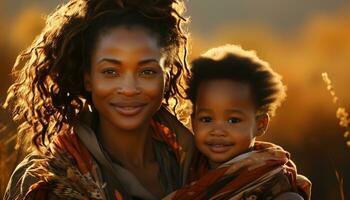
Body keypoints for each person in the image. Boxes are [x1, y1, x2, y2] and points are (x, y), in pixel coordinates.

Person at [3, 0, 194, 199]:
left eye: (147, 71)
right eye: (110, 72)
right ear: (88, 79)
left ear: (167, 75)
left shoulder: (201, 168)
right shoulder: (43, 178)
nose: (129, 89)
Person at [164, 45, 311, 200]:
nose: (218, 130)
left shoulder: (274, 185)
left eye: (233, 120)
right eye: (206, 119)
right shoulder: (185, 174)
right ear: (193, 122)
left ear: (260, 124)